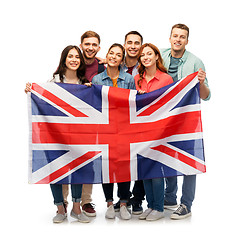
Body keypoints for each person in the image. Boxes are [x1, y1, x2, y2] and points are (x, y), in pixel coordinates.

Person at [25, 45, 90, 224]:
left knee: (78, 169)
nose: (74, 60)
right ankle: (60, 208)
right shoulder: (53, 82)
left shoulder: (85, 84)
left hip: (78, 136)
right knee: (55, 169)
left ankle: (77, 208)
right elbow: (42, 100)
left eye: (77, 57)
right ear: (64, 59)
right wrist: (32, 90)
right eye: (70, 56)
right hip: (55, 135)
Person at [160, 23, 211, 220]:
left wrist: (200, 83)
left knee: (189, 160)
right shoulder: (161, 56)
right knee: (167, 156)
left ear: (187, 41)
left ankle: (186, 204)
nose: (178, 39)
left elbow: (206, 95)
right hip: (164, 119)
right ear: (170, 38)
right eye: (175, 36)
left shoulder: (196, 62)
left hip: (186, 121)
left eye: (182, 37)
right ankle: (170, 197)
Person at [62, 31, 105, 217]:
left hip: (91, 122)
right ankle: (63, 201)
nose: (90, 48)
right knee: (63, 160)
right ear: (81, 46)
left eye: (94, 45)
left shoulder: (103, 67)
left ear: (98, 47)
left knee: (88, 160)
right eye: (87, 44)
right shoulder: (70, 65)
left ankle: (85, 201)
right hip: (67, 125)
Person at [91, 43, 135, 220]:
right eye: (111, 53)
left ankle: (123, 202)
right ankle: (109, 202)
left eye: (118, 55)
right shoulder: (96, 79)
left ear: (121, 59)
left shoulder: (129, 79)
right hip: (104, 129)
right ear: (107, 56)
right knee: (106, 165)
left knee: (124, 164)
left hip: (124, 128)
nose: (114, 57)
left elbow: (132, 104)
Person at [134, 43, 173, 221]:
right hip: (140, 130)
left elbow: (169, 105)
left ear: (157, 56)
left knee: (156, 170)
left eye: (149, 54)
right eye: (142, 55)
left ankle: (159, 207)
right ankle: (150, 205)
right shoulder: (137, 79)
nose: (145, 57)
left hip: (159, 130)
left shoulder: (166, 79)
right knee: (144, 169)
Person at [114, 31, 145, 215]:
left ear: (141, 45)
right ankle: (123, 197)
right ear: (124, 44)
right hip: (120, 122)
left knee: (140, 159)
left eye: (137, 43)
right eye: (130, 42)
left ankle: (138, 198)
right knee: (122, 161)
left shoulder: (147, 63)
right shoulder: (115, 64)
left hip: (140, 120)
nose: (133, 46)